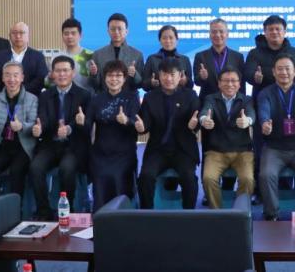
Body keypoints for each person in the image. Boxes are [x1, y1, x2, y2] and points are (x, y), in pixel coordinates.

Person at [257, 54, 295, 221]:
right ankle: (272, 215)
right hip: (274, 148)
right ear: (273, 72)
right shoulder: (265, 93)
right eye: (280, 69)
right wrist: (265, 123)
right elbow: (263, 110)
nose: (284, 72)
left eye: (287, 69)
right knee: (266, 175)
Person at [30, 55, 92, 219]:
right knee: (36, 167)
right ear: (52, 74)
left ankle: (67, 211)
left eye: (65, 70)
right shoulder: (45, 95)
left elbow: (87, 125)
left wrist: (71, 127)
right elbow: (42, 118)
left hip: (73, 146)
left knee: (67, 168)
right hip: (50, 145)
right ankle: (44, 211)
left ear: (73, 73)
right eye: (58, 71)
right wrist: (39, 128)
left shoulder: (84, 95)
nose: (62, 74)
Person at [137, 58, 201, 209]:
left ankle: (189, 215)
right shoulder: (150, 97)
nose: (168, 78)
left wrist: (194, 125)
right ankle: (146, 214)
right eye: (165, 74)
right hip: (158, 149)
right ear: (159, 75)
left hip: (183, 150)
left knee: (189, 178)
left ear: (180, 76)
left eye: (172, 74)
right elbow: (145, 126)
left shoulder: (191, 95)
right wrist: (141, 128)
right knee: (146, 176)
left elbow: (197, 122)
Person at [87, 60, 142, 210]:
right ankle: (100, 218)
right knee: (100, 181)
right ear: (104, 78)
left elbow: (137, 126)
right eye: (110, 75)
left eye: (118, 75)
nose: (114, 79)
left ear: (124, 79)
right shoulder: (96, 99)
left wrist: (127, 121)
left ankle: (121, 218)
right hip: (101, 153)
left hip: (124, 153)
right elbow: (87, 125)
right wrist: (80, 122)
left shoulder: (132, 98)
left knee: (119, 180)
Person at [199, 67, 256, 209]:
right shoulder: (211, 98)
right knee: (208, 179)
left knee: (248, 179)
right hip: (216, 152)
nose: (230, 84)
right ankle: (217, 213)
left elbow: (251, 115)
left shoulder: (247, 100)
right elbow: (205, 111)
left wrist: (247, 121)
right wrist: (204, 120)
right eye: (225, 81)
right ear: (219, 83)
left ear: (239, 83)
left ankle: (240, 211)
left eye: (233, 81)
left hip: (242, 152)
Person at [0, 61, 39, 198]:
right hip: (2, 145)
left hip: (23, 147)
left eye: (15, 75)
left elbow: (34, 125)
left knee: (16, 171)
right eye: (7, 75)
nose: (11, 79)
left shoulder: (32, 99)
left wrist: (22, 126)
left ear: (22, 77)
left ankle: (15, 209)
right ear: (2, 78)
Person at [244, 15, 295, 98]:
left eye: (278, 29)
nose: (274, 32)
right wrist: (255, 78)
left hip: (292, 99)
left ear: (284, 31)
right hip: (263, 98)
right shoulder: (254, 53)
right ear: (265, 32)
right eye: (271, 29)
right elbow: (247, 74)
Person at [91, 13, 144, 92]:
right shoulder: (98, 54)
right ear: (108, 31)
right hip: (105, 97)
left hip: (129, 98)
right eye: (112, 29)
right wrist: (94, 75)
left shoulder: (137, 54)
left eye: (120, 29)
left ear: (126, 31)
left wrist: (134, 74)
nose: (116, 32)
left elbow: (140, 84)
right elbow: (95, 85)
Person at [193, 18, 245, 100]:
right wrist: (202, 78)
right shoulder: (200, 56)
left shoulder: (238, 57)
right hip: (207, 101)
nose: (217, 35)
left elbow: (241, 84)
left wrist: (242, 102)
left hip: (232, 102)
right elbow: (197, 82)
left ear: (227, 34)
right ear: (210, 35)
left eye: (221, 31)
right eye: (214, 32)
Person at [0, 22, 48, 96]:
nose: (18, 36)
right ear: (9, 36)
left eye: (22, 33)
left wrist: (19, 92)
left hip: (31, 98)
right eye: (14, 33)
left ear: (28, 36)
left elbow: (41, 79)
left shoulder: (38, 56)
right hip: (4, 97)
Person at [46, 18, 97, 90]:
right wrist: (50, 78)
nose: (70, 36)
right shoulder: (55, 58)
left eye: (73, 33)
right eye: (66, 34)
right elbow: (47, 85)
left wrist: (94, 74)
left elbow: (98, 83)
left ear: (81, 35)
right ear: (62, 36)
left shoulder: (91, 55)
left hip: (87, 96)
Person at [142, 25, 194, 91]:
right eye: (164, 38)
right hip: (157, 95)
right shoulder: (151, 59)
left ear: (177, 39)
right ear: (160, 40)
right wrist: (151, 83)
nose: (168, 41)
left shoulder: (184, 59)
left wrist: (186, 81)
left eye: (171, 38)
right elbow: (144, 85)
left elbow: (191, 85)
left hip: (180, 96)